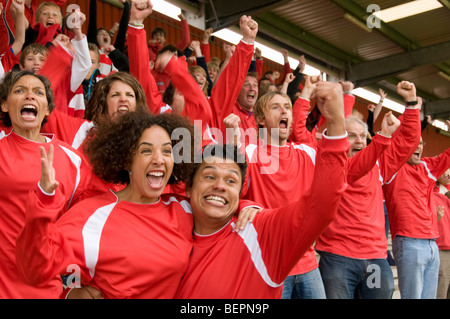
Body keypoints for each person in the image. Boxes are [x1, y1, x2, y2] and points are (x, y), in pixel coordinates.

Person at [15, 111, 257, 299]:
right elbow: (36, 269)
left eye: (166, 151)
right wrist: (68, 293)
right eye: (146, 151)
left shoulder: (181, 208)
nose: (159, 159)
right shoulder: (93, 216)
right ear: (127, 161)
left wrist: (248, 206)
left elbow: (217, 203)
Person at [175, 79, 349, 298]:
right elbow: (230, 192)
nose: (283, 111)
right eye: (275, 107)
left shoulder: (308, 152)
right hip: (267, 259)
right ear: (260, 119)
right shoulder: (248, 152)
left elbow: (341, 174)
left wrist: (339, 119)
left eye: (287, 107)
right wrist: (249, 204)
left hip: (307, 263)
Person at [315, 80, 421, 299]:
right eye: (352, 136)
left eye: (363, 136)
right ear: (340, 139)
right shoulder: (329, 164)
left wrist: (411, 105)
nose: (359, 141)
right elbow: (357, 165)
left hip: (375, 258)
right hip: (337, 257)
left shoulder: (379, 164)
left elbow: (408, 141)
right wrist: (382, 137)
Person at [0, 70, 95, 298]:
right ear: (4, 105)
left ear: (48, 109)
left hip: (45, 287)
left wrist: (73, 285)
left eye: (38, 92)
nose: (29, 96)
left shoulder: (74, 160)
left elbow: (82, 229)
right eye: (20, 90)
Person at [383, 116, 450, 298]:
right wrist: (410, 109)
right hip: (409, 242)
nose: (418, 147)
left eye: (421, 143)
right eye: (414, 143)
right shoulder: (393, 167)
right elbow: (396, 144)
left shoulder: (427, 167)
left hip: (432, 244)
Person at [434, 168, 450, 298]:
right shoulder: (430, 192)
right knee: (442, 290)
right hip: (442, 247)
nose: (447, 173)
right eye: (443, 169)